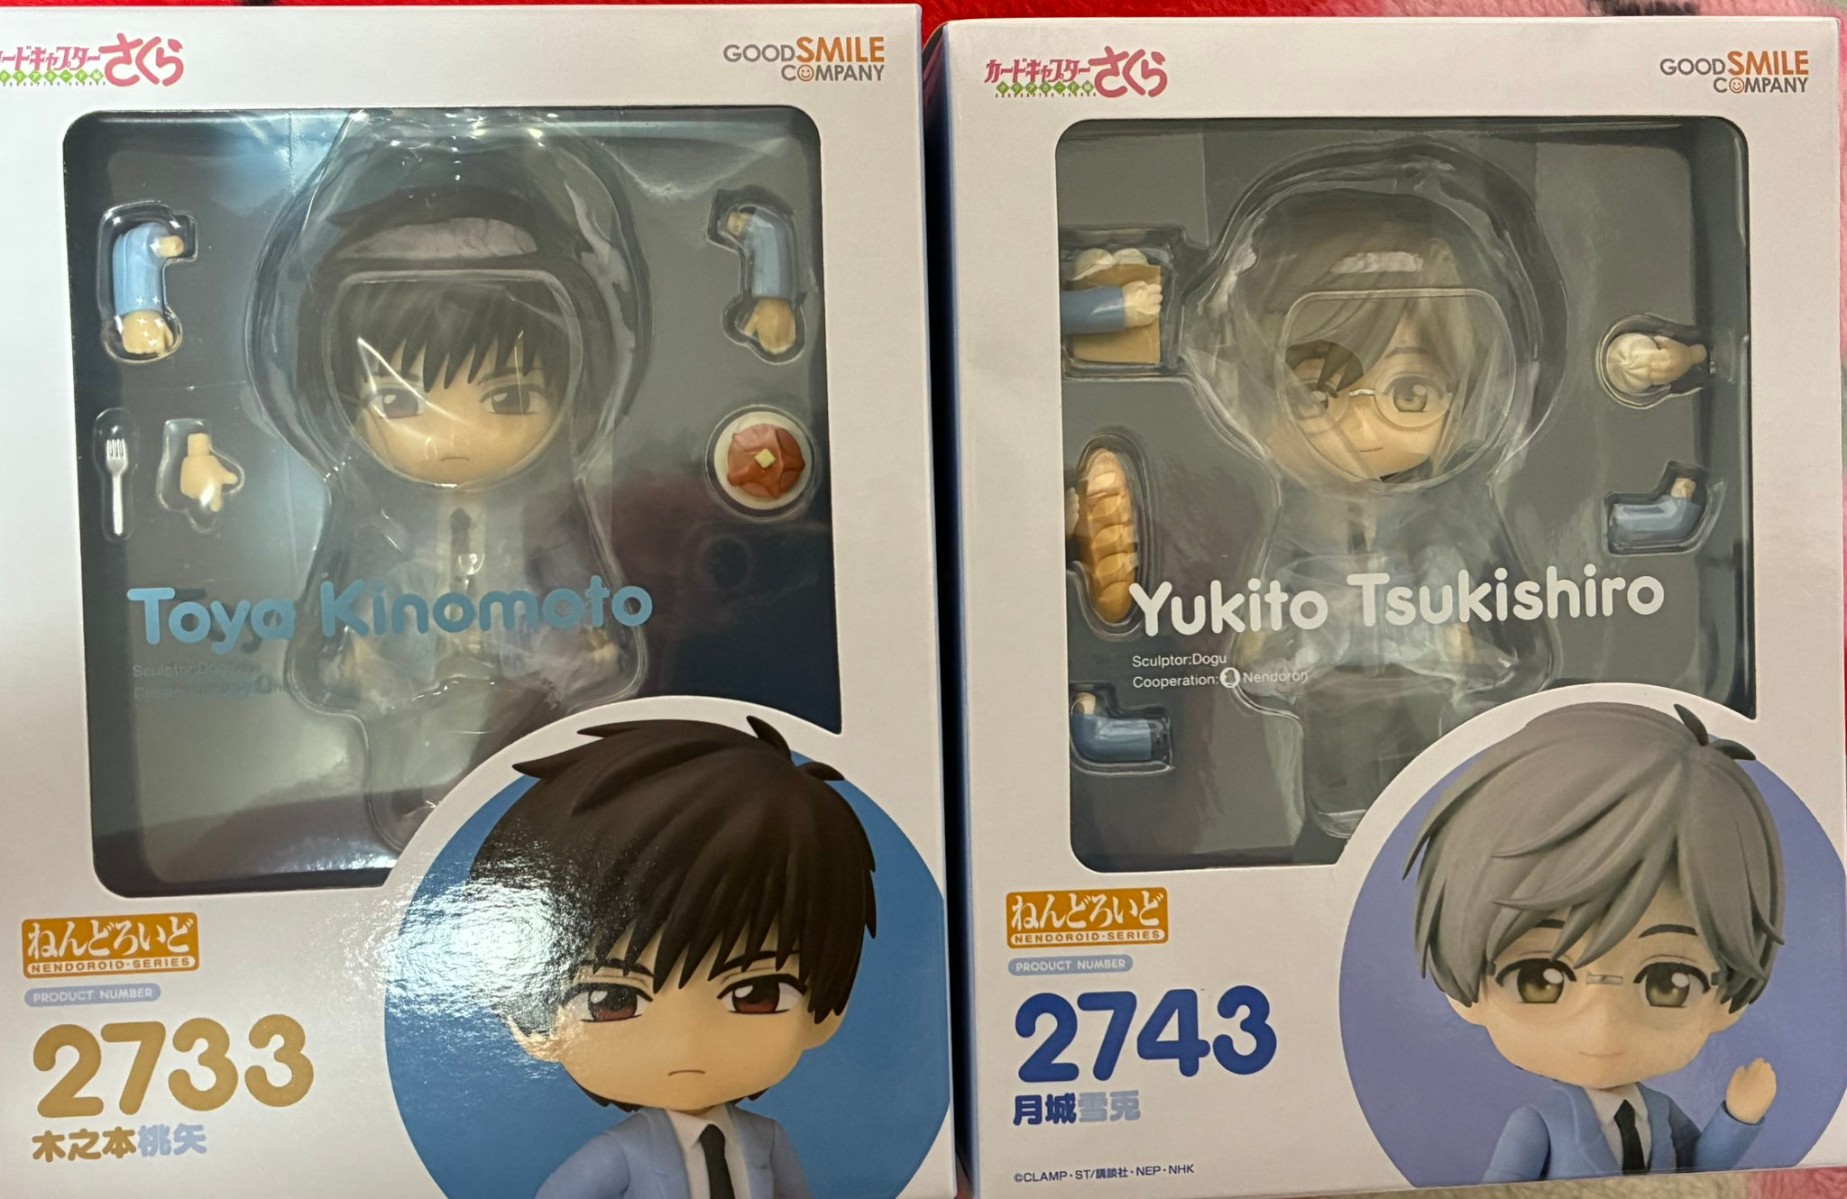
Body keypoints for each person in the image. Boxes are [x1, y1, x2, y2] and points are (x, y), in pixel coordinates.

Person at [468, 716, 878, 1199]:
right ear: (534, 1026)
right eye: (613, 999)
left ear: (824, 1015)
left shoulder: (767, 1139)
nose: (686, 1041)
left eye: (755, 993)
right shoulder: (619, 1152)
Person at [1408, 702, 1784, 1182]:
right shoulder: (1539, 1124)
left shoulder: (1660, 1113)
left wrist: (1739, 1116)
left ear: (1727, 999)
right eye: (1539, 980)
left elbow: (1697, 1172)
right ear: (1467, 989)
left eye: (1669, 983)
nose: (1602, 1030)